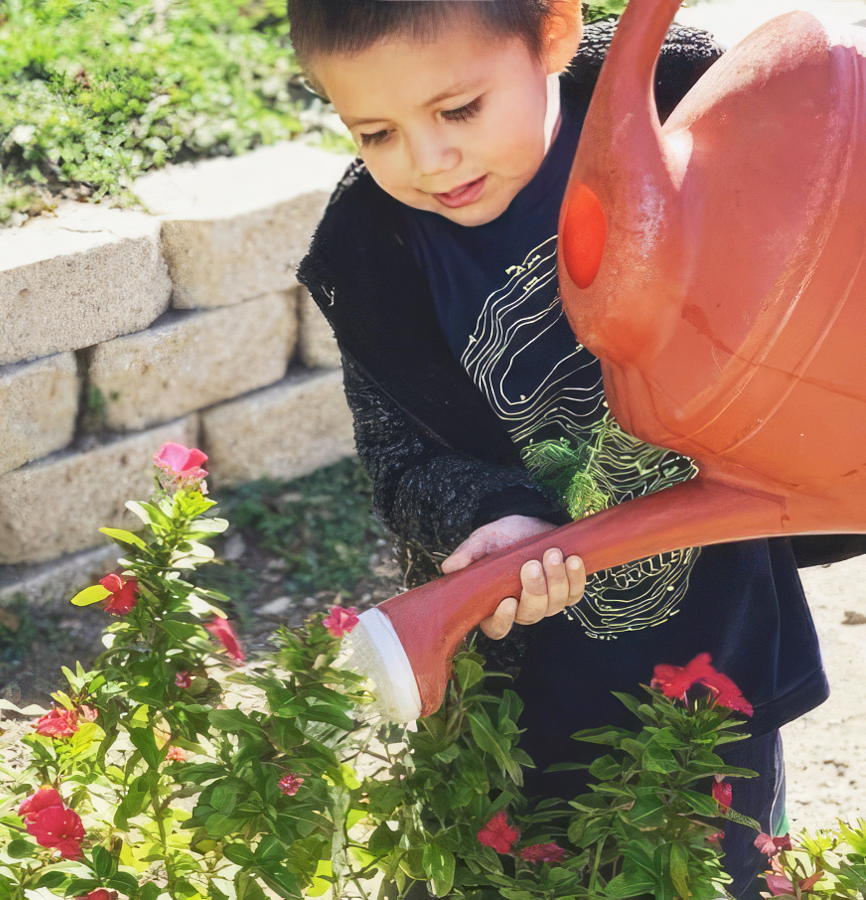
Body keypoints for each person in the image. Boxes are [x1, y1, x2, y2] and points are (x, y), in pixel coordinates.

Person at [288, 1, 866, 896]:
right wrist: (484, 516)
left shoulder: (690, 113)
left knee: (718, 869)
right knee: (496, 868)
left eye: (459, 111)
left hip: (714, 640)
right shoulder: (375, 257)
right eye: (376, 132)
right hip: (518, 666)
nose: (428, 159)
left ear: (553, 35)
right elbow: (400, 458)